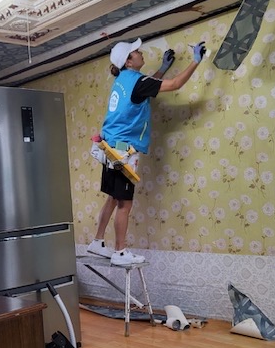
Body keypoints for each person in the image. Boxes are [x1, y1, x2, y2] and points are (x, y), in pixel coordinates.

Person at [87, 37, 206, 266]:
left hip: (109, 147)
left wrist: (162, 68)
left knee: (113, 197)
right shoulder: (137, 81)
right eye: (136, 52)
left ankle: (97, 241)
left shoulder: (122, 80)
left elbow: (145, 88)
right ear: (129, 61)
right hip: (123, 152)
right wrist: (196, 61)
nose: (141, 53)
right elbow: (175, 85)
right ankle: (120, 252)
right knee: (124, 204)